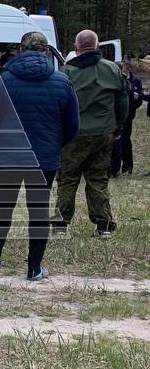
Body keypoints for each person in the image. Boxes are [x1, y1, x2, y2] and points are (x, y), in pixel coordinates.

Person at [0, 30, 79, 281]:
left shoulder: (5, 80)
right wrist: (54, 144)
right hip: (43, 160)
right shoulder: (62, 82)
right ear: (46, 52)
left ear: (20, 51)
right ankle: (34, 269)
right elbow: (73, 125)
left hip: (7, 158)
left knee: (2, 208)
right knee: (39, 211)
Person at [53, 30, 129, 238]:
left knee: (68, 179)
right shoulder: (112, 69)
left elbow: (58, 105)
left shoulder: (65, 72)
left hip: (73, 135)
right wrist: (118, 128)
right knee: (98, 179)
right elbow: (123, 101)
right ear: (97, 47)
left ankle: (60, 226)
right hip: (103, 133)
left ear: (76, 49)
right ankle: (104, 225)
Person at [111, 60, 147, 176]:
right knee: (116, 141)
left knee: (126, 141)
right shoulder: (115, 80)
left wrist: (133, 105)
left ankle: (128, 167)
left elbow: (139, 98)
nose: (122, 71)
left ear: (129, 69)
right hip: (116, 116)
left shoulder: (135, 81)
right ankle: (114, 167)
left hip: (129, 115)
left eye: (124, 69)